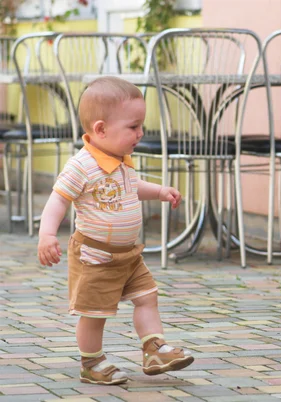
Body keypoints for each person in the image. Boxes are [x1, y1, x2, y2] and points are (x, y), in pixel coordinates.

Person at [37, 76, 194, 385]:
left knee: (147, 296)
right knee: (94, 313)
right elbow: (58, 200)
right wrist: (47, 235)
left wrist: (159, 191)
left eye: (141, 126)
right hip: (96, 255)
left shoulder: (121, 161)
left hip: (128, 254)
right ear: (101, 129)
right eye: (133, 127)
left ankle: (154, 348)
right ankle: (92, 362)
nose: (140, 133)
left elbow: (132, 186)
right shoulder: (81, 166)